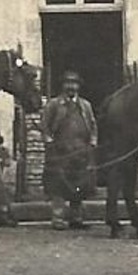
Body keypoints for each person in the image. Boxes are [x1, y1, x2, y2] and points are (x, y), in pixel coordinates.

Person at [40, 71, 97, 230]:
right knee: (58, 185)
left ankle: (76, 217)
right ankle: (58, 218)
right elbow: (44, 126)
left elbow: (92, 126)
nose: (71, 87)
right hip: (60, 151)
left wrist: (92, 143)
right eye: (68, 83)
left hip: (80, 150)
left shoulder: (85, 106)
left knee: (79, 184)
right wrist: (49, 143)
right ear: (63, 86)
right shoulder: (54, 105)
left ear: (79, 86)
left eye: (74, 83)